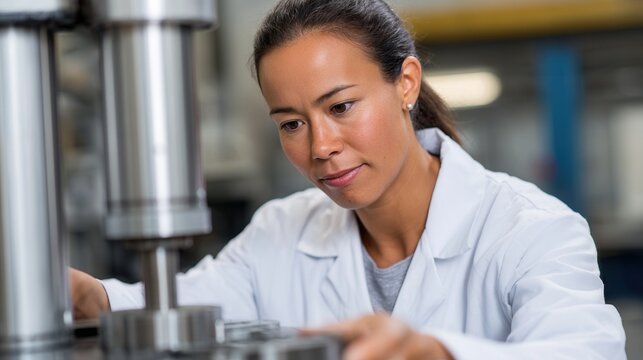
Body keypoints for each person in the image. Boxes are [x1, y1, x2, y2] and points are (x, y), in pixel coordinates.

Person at [71, 0, 627, 358]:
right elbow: (181, 305)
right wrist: (89, 297)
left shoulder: (531, 229)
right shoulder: (281, 231)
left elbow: (580, 351)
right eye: (291, 123)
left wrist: (436, 351)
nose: (320, 146)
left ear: (406, 83)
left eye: (340, 107)